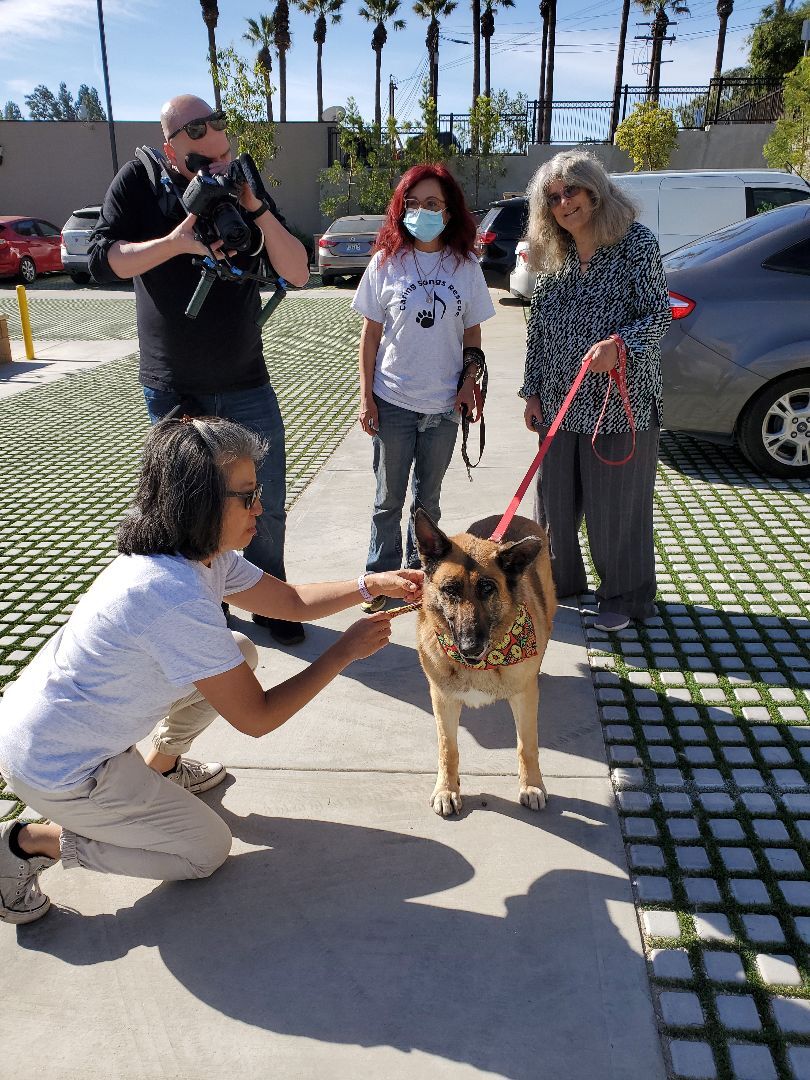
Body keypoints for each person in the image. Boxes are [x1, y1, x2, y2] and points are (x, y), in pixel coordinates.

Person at [0, 417, 422, 924]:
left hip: (61, 729)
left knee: (238, 650)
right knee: (204, 850)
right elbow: (257, 718)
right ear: (198, 500)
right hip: (61, 770)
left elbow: (289, 601)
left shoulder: (198, 556)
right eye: (246, 497)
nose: (260, 507)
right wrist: (342, 652)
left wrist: (371, 584)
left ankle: (161, 765)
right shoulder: (170, 594)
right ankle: (29, 843)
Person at [88, 94, 310, 647]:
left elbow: (299, 272)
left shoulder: (242, 179)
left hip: (245, 377)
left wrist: (253, 205)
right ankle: (205, 606)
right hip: (173, 381)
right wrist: (175, 243)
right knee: (188, 506)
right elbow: (100, 262)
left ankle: (271, 598)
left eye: (219, 127)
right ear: (171, 147)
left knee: (264, 498)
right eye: (196, 131)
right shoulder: (137, 179)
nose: (212, 137)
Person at [519, 150, 672, 632]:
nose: (565, 203)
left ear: (595, 191)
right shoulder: (551, 255)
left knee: (617, 508)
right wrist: (531, 391)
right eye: (554, 197)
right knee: (554, 507)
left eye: (573, 191)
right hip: (560, 402)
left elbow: (660, 316)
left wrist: (621, 345)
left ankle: (625, 597)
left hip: (618, 402)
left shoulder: (637, 246)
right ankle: (559, 584)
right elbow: (538, 326)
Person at [352, 164, 495, 611]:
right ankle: (381, 581)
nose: (422, 212)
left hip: (444, 406)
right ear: (400, 210)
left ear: (449, 211)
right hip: (393, 399)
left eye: (432, 204)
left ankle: (423, 580)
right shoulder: (385, 263)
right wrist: (365, 395)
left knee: (427, 501)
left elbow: (472, 335)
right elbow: (370, 335)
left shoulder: (465, 267)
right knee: (387, 499)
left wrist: (469, 385)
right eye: (412, 204)